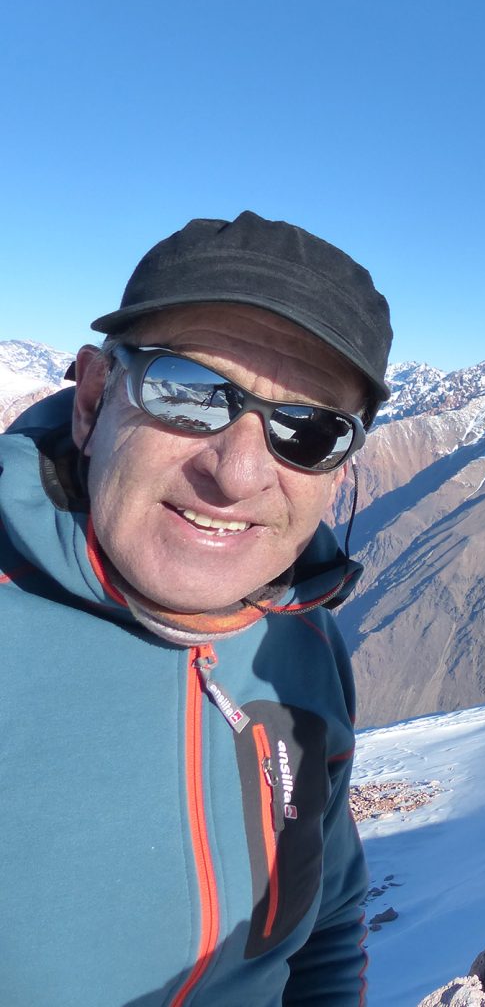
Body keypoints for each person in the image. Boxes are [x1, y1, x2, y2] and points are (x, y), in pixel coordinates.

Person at [0, 211, 392, 1004]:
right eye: (190, 393)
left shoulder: (302, 642)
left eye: (309, 431)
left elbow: (325, 922)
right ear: (92, 400)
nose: (239, 472)